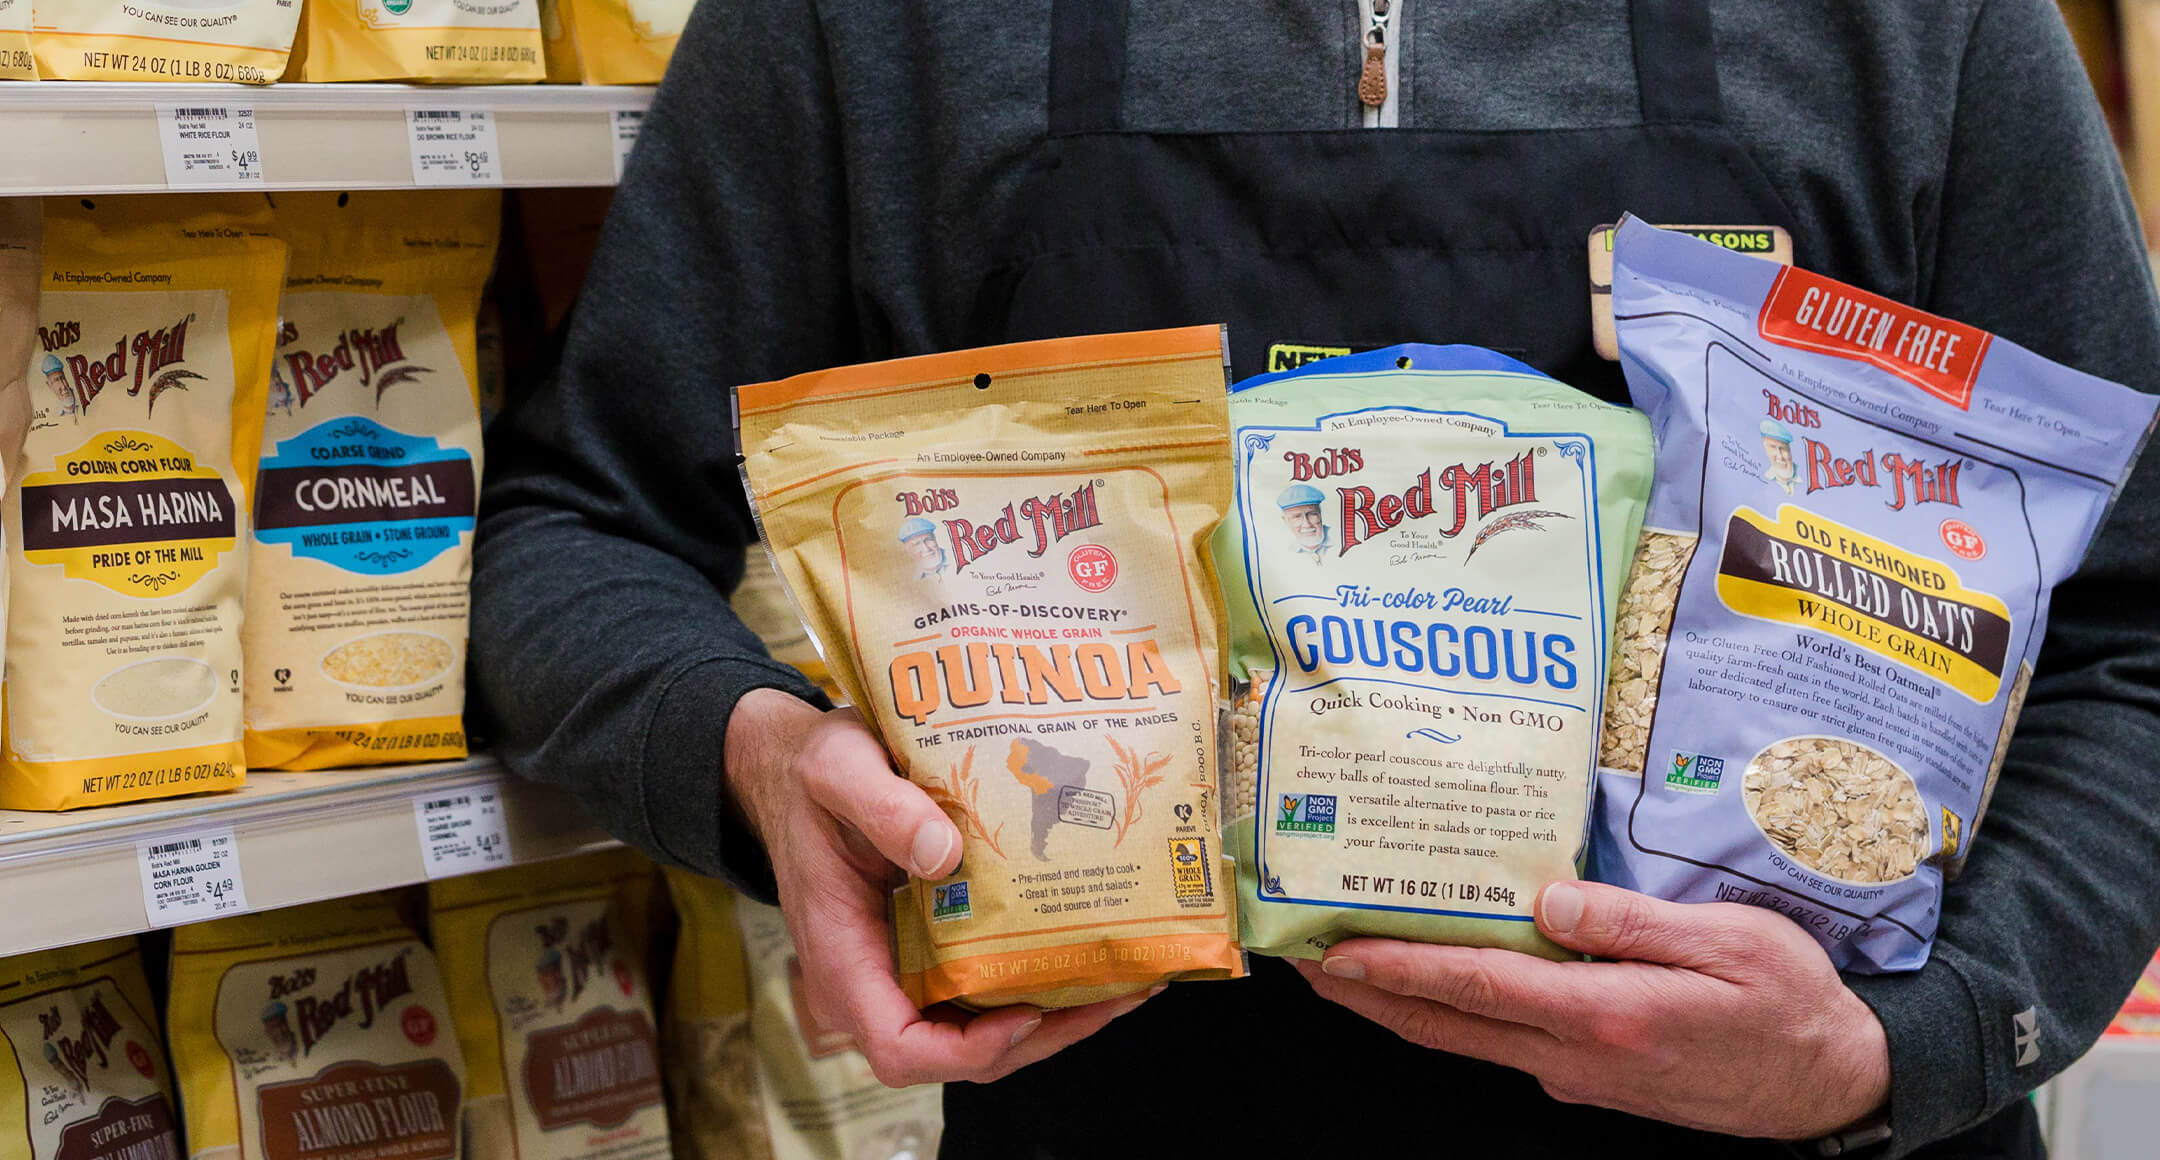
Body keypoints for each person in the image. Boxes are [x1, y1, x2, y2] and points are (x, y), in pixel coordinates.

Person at [473, 3, 2160, 1156]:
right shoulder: (879, 29)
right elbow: (575, 533)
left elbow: (2137, 637)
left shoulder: (1918, 26)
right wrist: (758, 757)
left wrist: (1911, 1042)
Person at [1277, 483, 1332, 560]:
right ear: (1285, 521)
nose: (1307, 524)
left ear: (1320, 514)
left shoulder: (1339, 539)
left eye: (1312, 514)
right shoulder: (1283, 552)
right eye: (1297, 517)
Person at [1761, 419, 1797, 494]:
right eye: (1773, 447)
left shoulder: (1803, 477)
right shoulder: (1763, 479)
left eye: (1783, 448)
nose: (1780, 457)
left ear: (1789, 450)